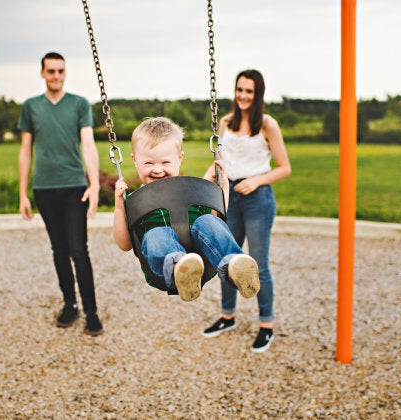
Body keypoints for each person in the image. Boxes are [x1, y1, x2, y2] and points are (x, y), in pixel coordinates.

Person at [113, 116, 260, 302]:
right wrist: (120, 207)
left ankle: (233, 264)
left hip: (203, 258)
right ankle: (180, 270)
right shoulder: (135, 202)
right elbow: (125, 244)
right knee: (156, 234)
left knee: (207, 221)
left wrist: (222, 188)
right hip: (162, 271)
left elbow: (217, 218)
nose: (157, 169)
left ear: (179, 159)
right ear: (135, 160)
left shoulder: (193, 195)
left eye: (165, 163)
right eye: (148, 163)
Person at [202, 69, 291, 353]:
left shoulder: (267, 124)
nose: (243, 95)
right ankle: (227, 316)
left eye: (249, 91)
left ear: (258, 94)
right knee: (226, 259)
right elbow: (219, 163)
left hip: (258, 199)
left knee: (257, 264)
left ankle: (266, 325)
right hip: (230, 198)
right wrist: (201, 188)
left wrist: (255, 181)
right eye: (240, 89)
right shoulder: (226, 122)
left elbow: (284, 168)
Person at [17, 51, 103, 336]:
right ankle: (70, 304)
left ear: (65, 73)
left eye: (60, 71)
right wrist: (23, 194)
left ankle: (91, 312)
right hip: (44, 188)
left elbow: (88, 145)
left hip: (74, 187)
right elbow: (25, 150)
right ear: (42, 73)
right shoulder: (31, 107)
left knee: (79, 250)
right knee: (59, 251)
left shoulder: (79, 105)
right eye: (51, 71)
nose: (55, 76)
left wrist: (94, 184)